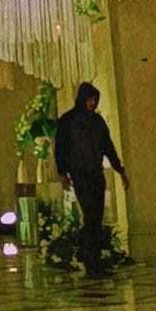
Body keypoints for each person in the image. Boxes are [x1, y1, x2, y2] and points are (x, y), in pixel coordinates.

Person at [55, 83, 128, 278]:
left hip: (96, 174)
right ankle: (90, 261)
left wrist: (120, 170)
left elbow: (108, 146)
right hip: (80, 175)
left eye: (95, 100)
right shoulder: (68, 120)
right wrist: (62, 173)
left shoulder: (97, 121)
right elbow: (61, 148)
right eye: (90, 99)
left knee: (96, 217)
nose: (93, 103)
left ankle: (94, 261)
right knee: (90, 215)